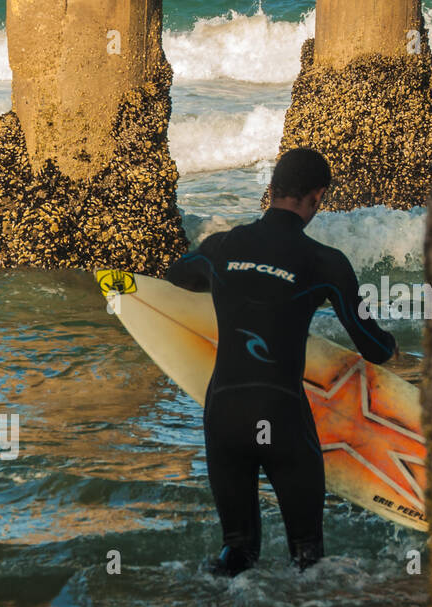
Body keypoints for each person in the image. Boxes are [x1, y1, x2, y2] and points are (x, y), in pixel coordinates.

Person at [163, 147, 397, 575]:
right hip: (281, 417)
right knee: (307, 559)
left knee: (237, 552)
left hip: (224, 416)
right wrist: (394, 346)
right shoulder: (327, 263)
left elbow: (176, 277)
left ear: (271, 189)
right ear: (318, 197)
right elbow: (372, 346)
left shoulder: (221, 246)